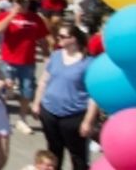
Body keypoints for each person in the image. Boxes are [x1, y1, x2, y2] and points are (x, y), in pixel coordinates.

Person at [32, 26, 99, 170]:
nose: (58, 39)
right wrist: (37, 103)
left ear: (74, 39)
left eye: (62, 36)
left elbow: (94, 95)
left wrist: (88, 121)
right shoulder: (56, 56)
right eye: (59, 36)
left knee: (78, 155)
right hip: (50, 111)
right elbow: (44, 80)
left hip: (74, 116)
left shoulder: (88, 63)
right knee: (53, 153)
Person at [0, 0, 48, 135]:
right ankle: (2, 118)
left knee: (27, 91)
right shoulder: (6, 15)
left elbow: (42, 38)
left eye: (23, 2)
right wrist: (12, 15)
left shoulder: (35, 18)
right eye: (18, 1)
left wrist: (47, 54)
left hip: (27, 61)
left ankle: (22, 119)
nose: (21, 4)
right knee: (4, 91)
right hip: (8, 61)